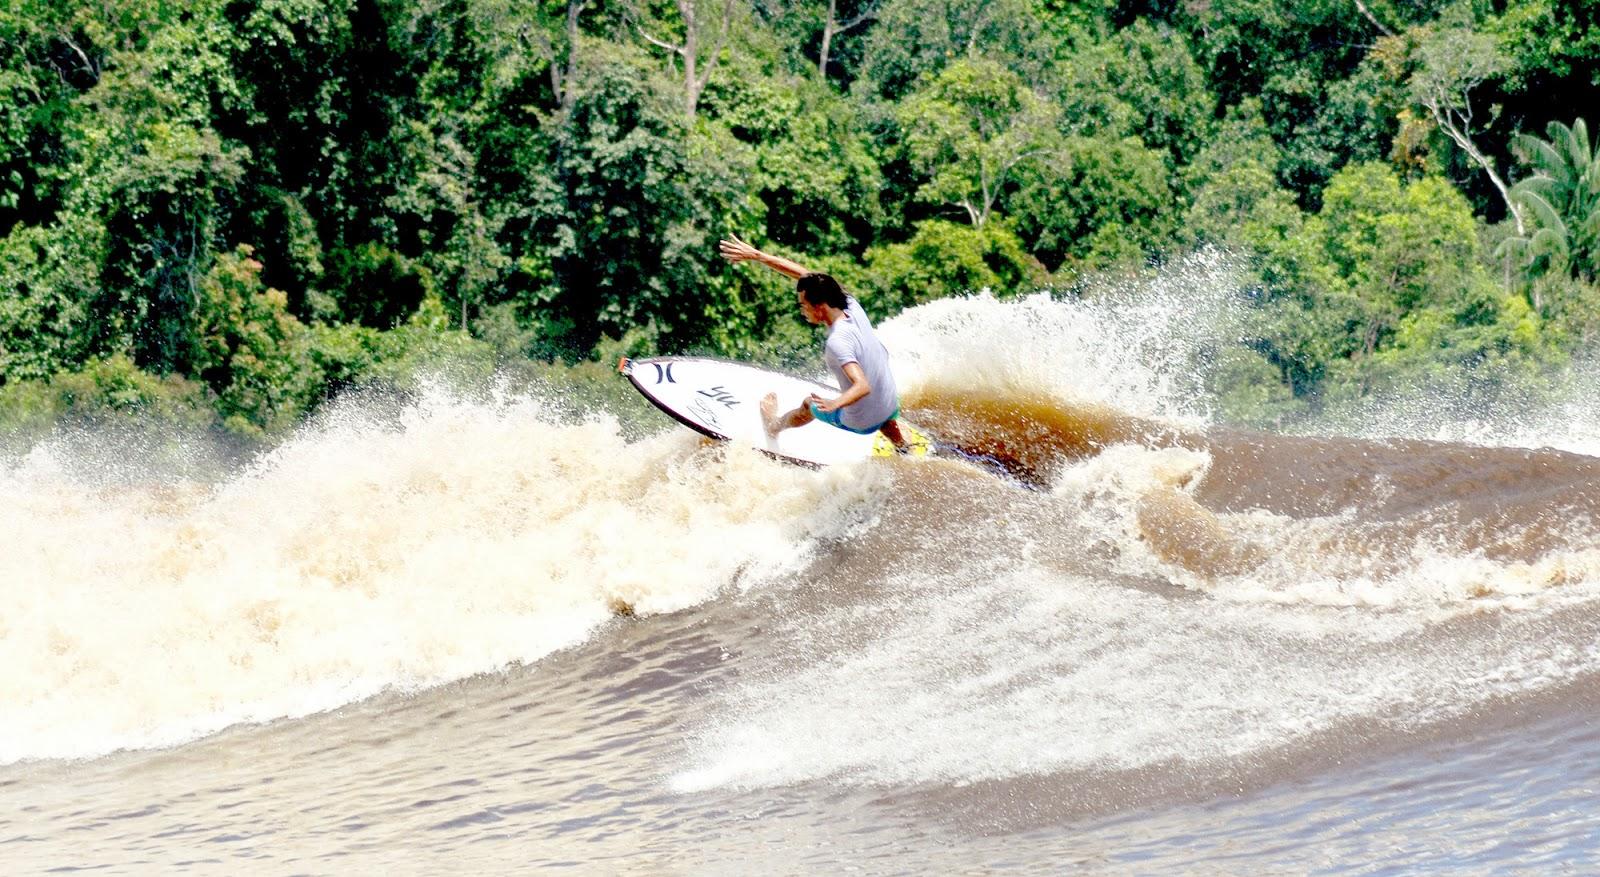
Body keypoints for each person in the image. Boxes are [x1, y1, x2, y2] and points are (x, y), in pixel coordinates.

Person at [718, 234, 907, 448]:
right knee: (874, 391)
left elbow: (862, 386)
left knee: (809, 404)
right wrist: (758, 256)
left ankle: (774, 425)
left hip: (862, 421)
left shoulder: (837, 342)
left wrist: (834, 403)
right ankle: (900, 444)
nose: (802, 311)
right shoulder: (851, 304)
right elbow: (805, 276)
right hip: (890, 404)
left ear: (819, 307)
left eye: (803, 305)